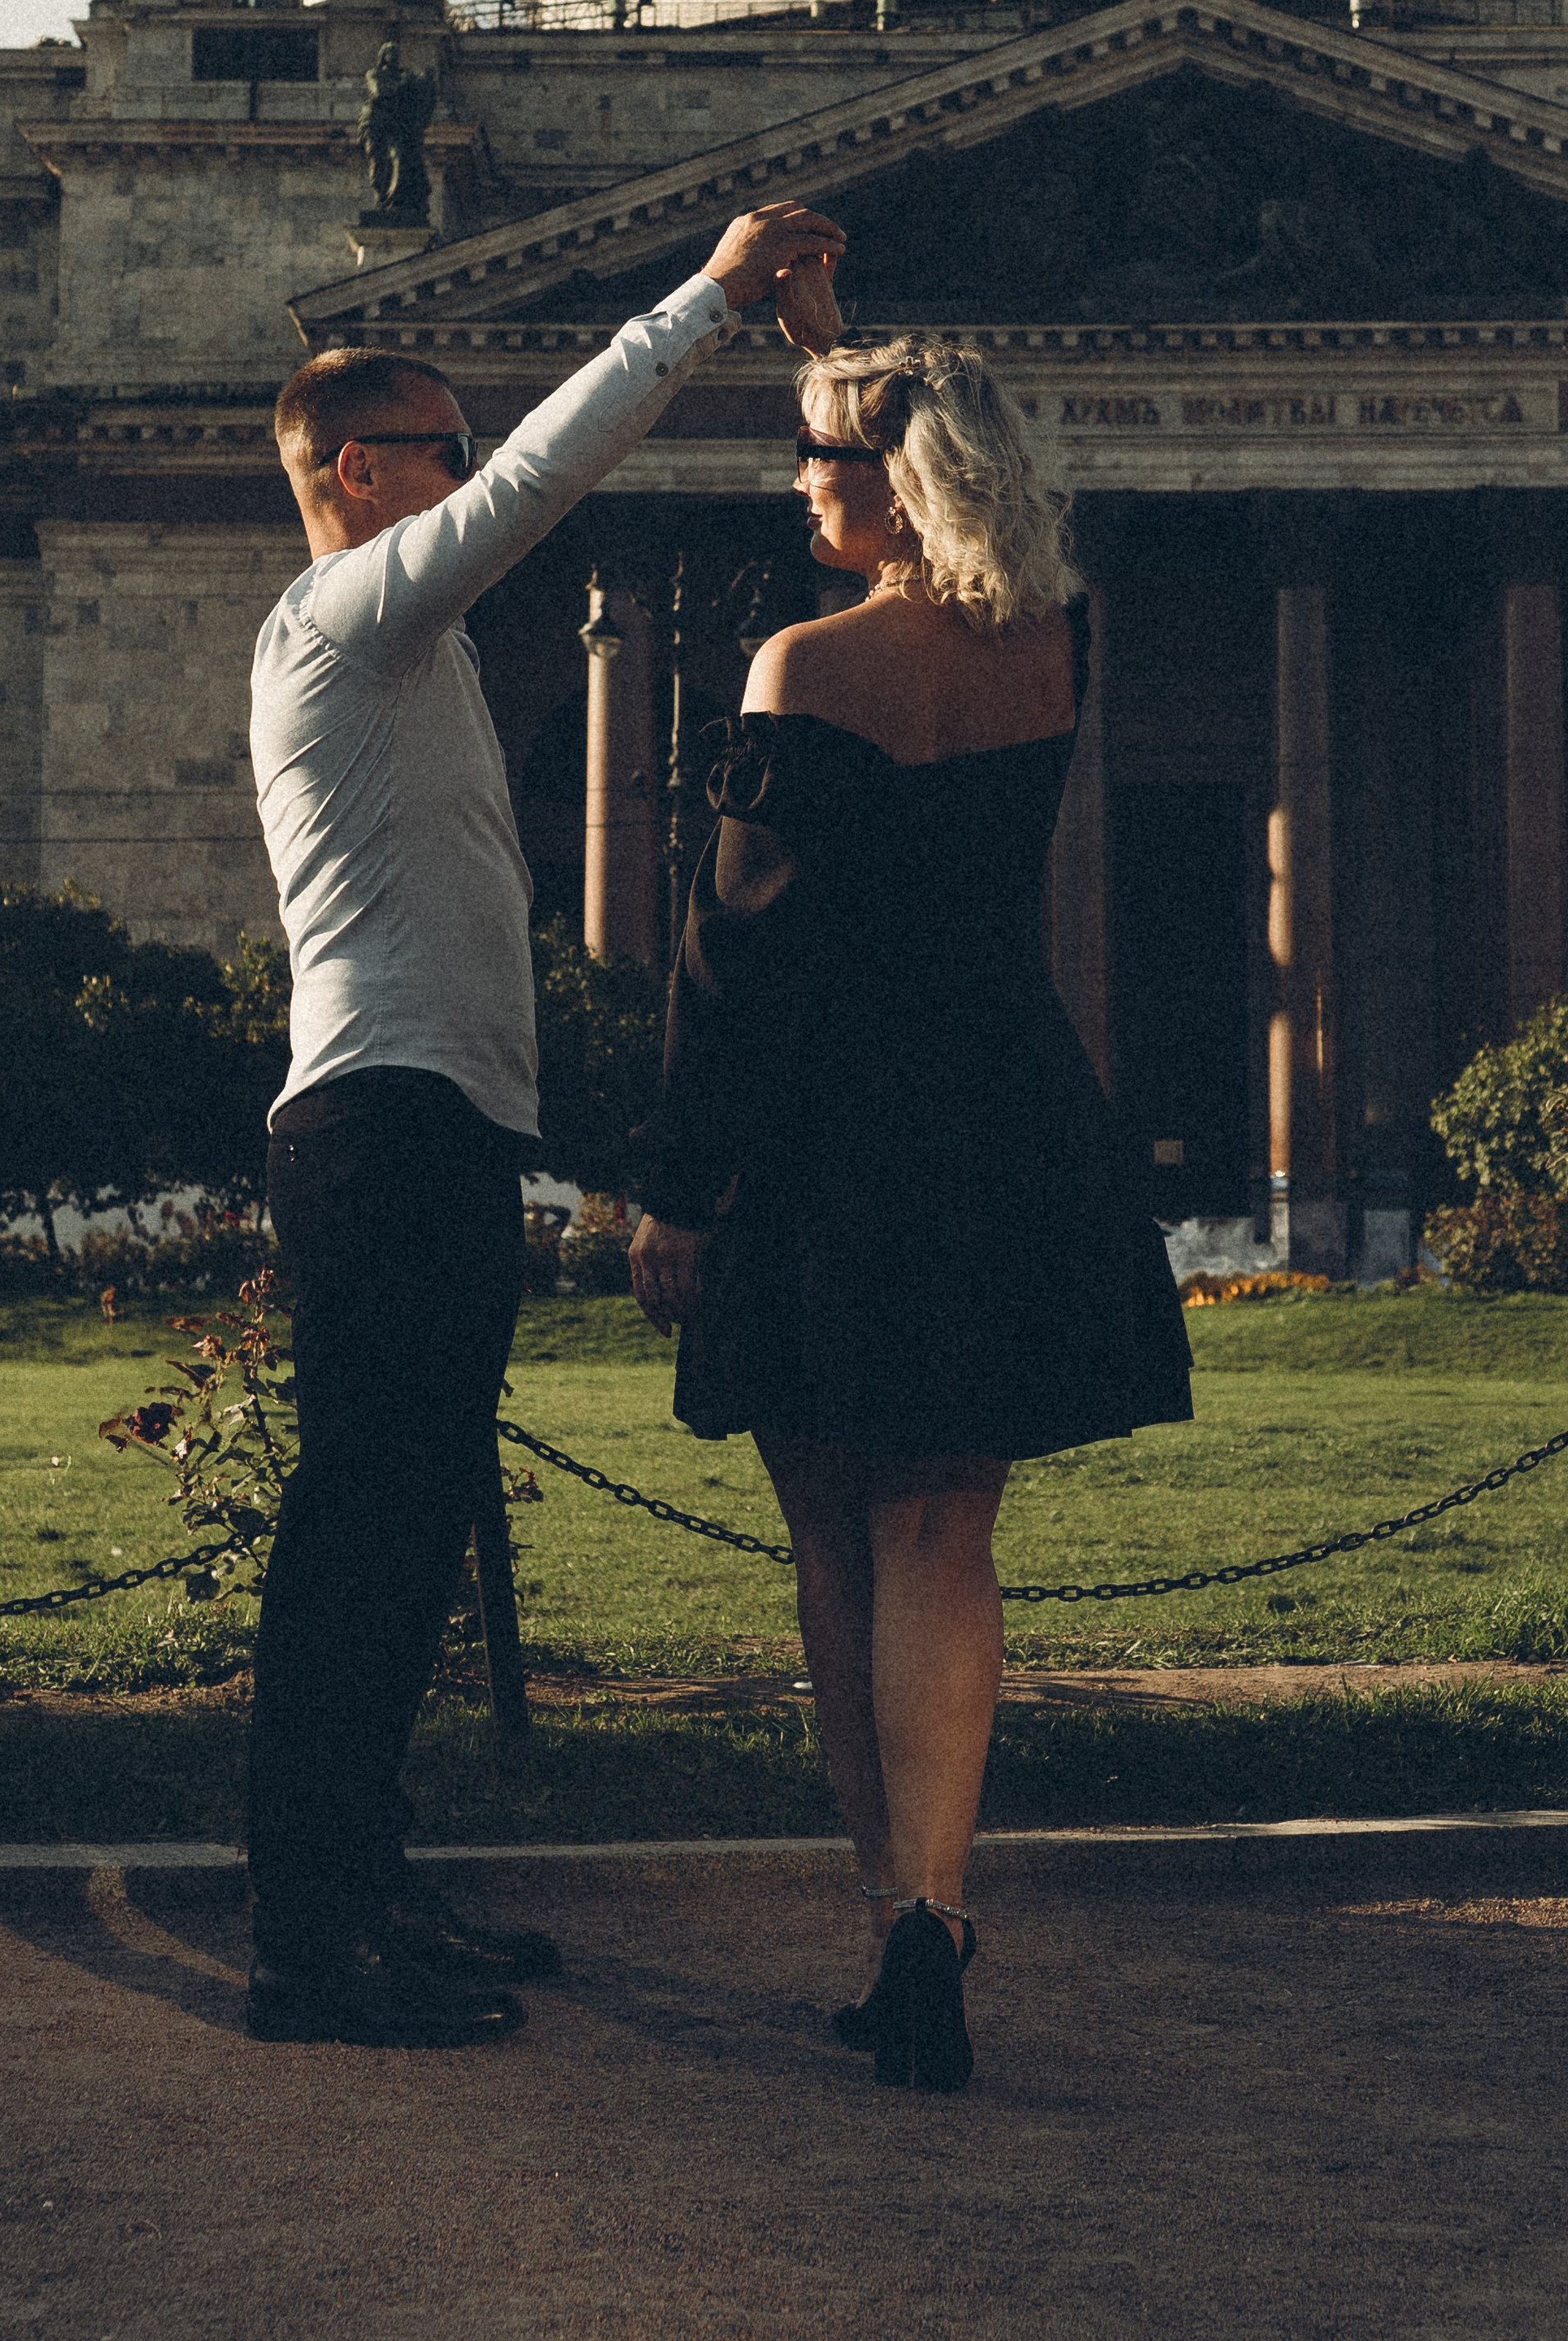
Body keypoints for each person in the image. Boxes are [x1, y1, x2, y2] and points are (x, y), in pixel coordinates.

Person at [246, 198, 844, 2049]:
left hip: (433, 1123)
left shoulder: (388, 656)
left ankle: (372, 1889)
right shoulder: (347, 614)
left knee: (409, 1534)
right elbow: (533, 485)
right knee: (362, 1534)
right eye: (430, 449)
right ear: (357, 473)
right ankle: (307, 1942)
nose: (458, 478)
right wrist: (707, 303)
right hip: (383, 1124)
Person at [629, 337, 1192, 2091]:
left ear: (895, 486)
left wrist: (673, 1192)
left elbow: (737, 963)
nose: (799, 487)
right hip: (1006, 1111)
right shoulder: (1050, 650)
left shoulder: (803, 663)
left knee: (828, 1535)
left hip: (826, 1140)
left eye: (821, 461)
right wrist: (838, 335)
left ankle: (884, 1910)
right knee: (944, 1538)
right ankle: (936, 1917)